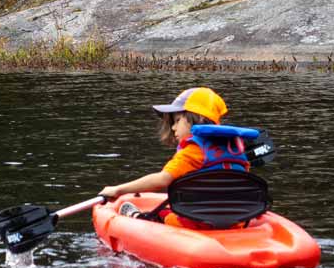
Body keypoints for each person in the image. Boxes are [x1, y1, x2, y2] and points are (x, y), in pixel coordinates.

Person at [99, 87, 249, 210]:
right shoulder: (235, 147)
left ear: (199, 119)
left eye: (177, 120)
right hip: (237, 217)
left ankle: (134, 215)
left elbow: (162, 180)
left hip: (196, 218)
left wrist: (118, 189)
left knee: (161, 217)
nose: (173, 127)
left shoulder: (193, 150)